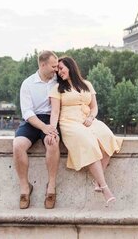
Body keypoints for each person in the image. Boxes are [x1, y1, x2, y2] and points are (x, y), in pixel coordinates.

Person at [48, 56, 122, 206]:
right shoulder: (57, 89)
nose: (59, 72)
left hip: (88, 120)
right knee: (88, 143)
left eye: (61, 68)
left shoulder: (87, 84)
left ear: (71, 67)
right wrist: (52, 130)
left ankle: (97, 180)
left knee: (108, 138)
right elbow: (54, 112)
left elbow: (94, 107)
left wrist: (91, 117)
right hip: (69, 123)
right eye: (57, 71)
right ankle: (105, 187)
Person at [12, 50, 61, 209]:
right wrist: (43, 127)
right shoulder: (27, 83)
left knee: (53, 143)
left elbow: (55, 110)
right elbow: (27, 112)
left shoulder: (58, 81)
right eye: (53, 66)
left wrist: (51, 129)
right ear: (42, 64)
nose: (56, 69)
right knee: (18, 145)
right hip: (33, 120)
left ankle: (51, 186)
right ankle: (25, 187)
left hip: (52, 118)